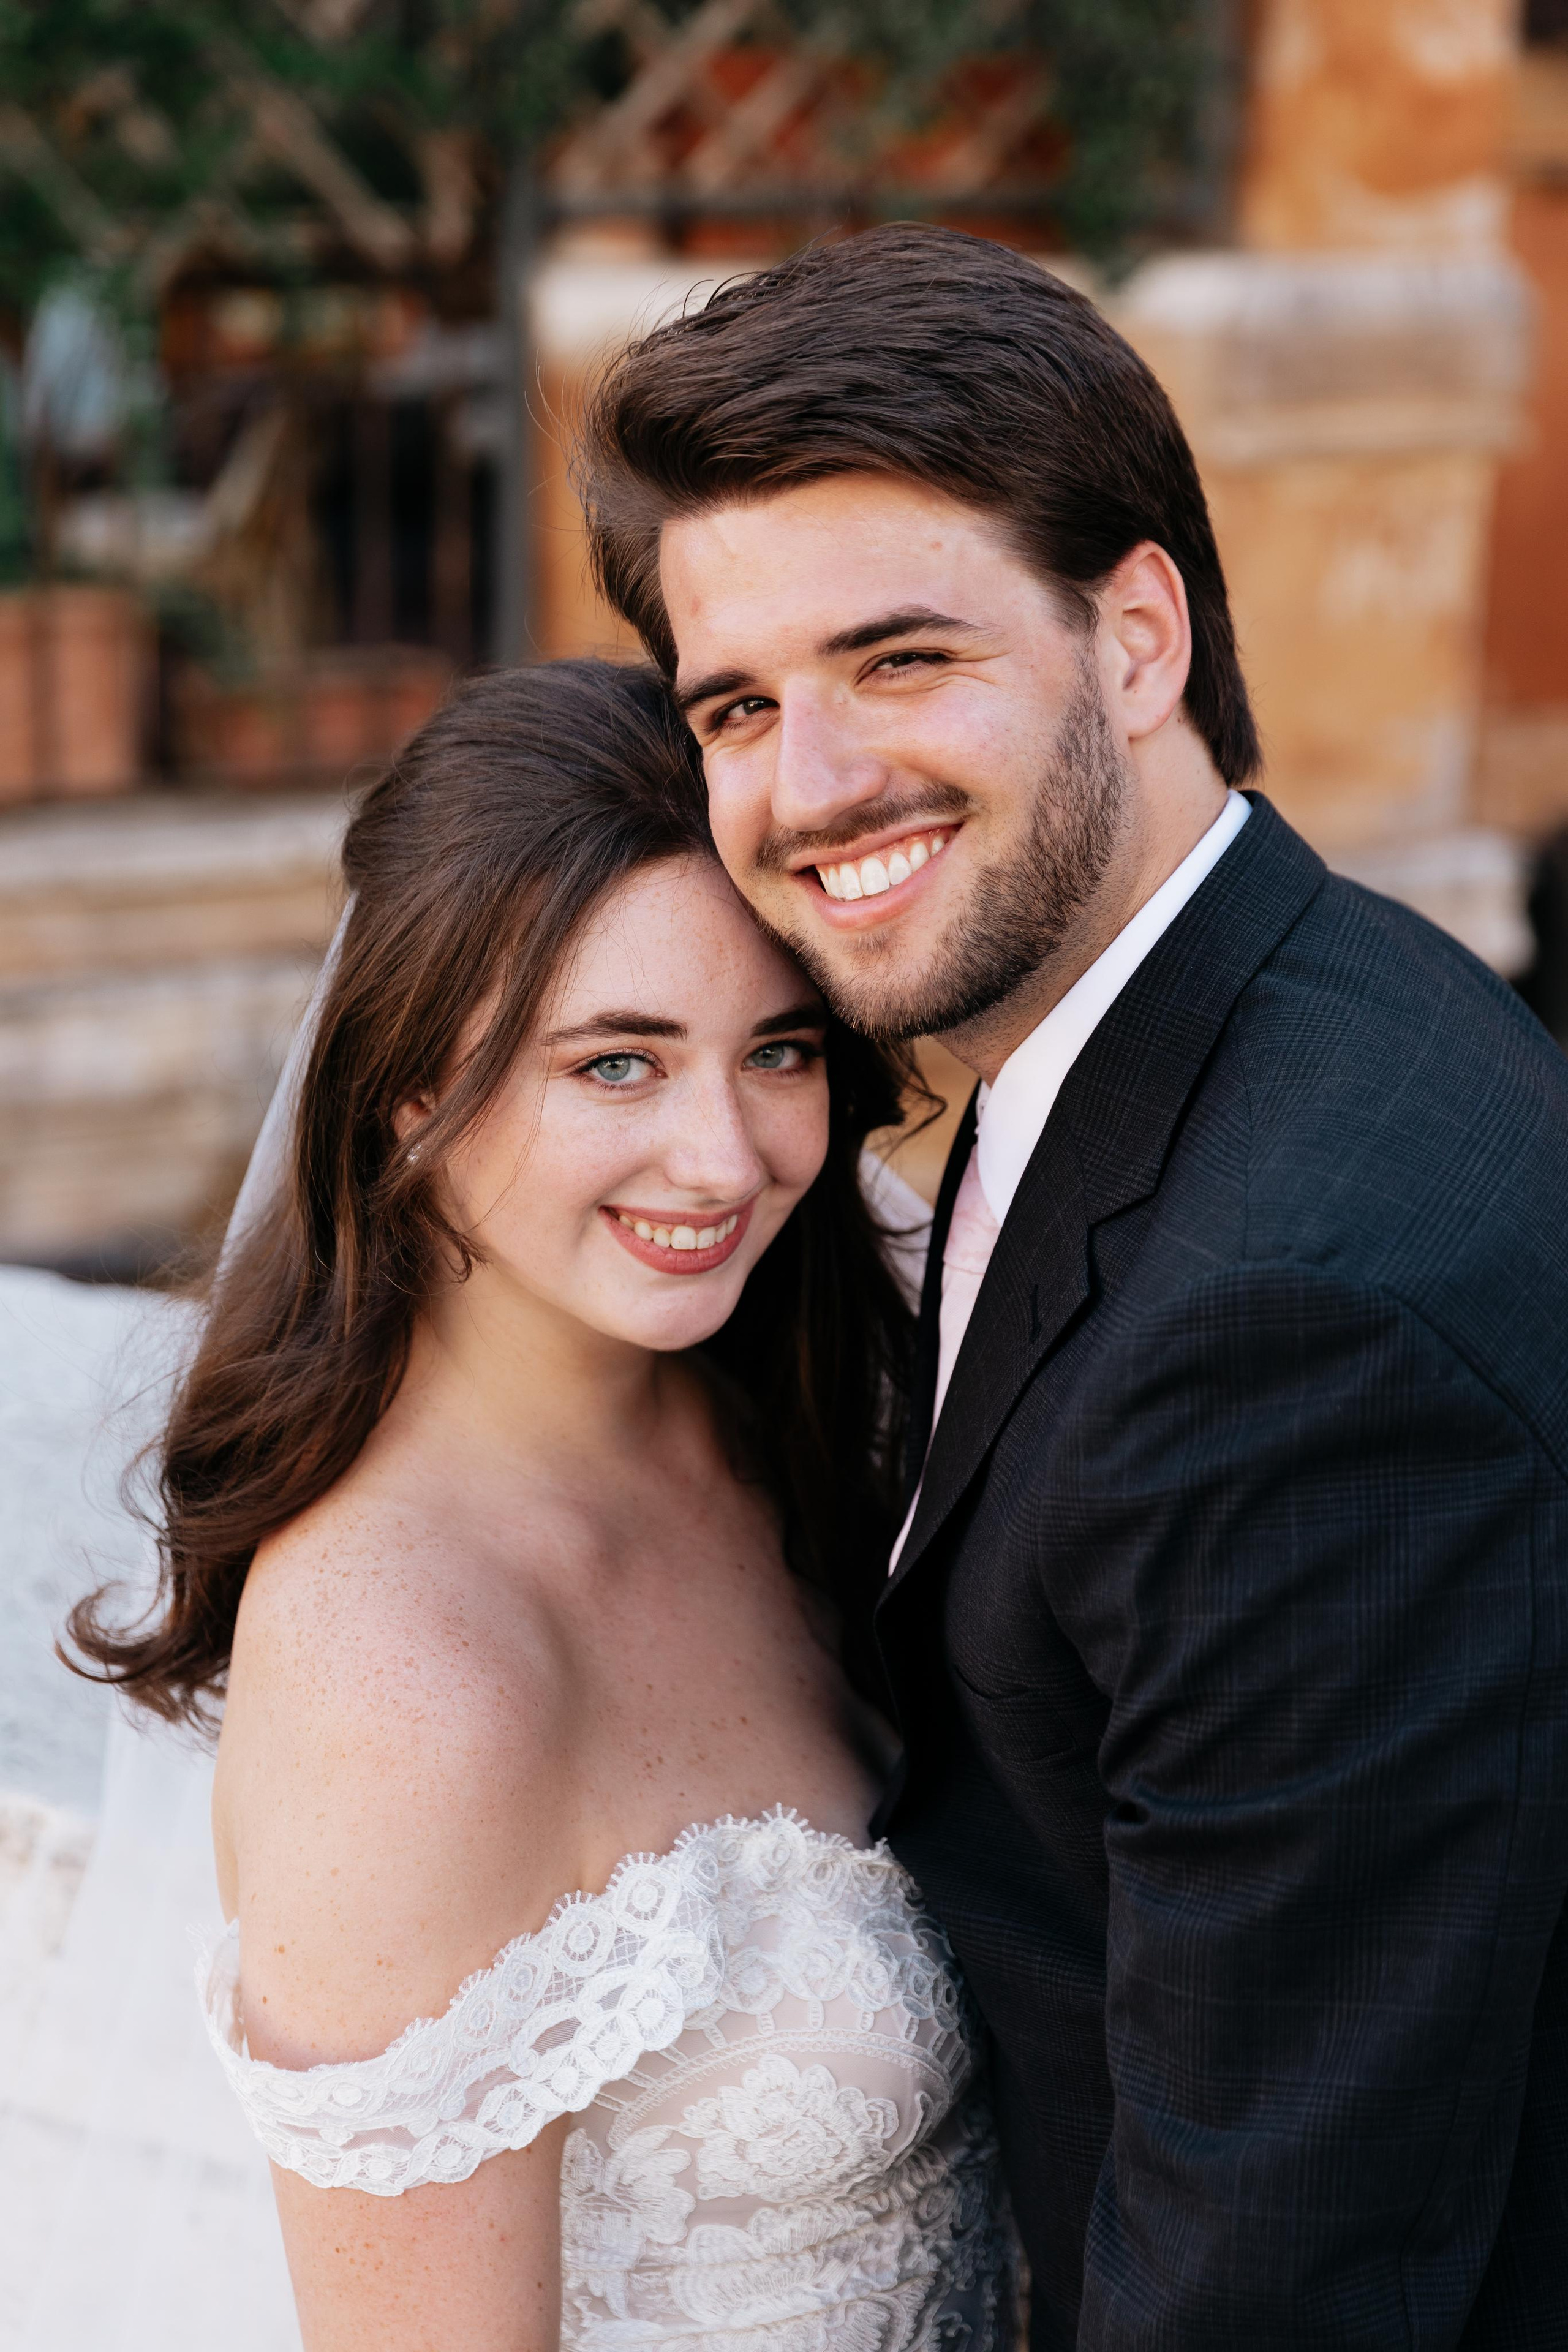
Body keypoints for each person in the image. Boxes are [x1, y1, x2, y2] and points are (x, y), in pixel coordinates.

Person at [577, 223, 1568, 2347]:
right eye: (739, 704)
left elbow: (1281, 2282)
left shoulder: (1292, 1326)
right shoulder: (1284, 1005)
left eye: (902, 658)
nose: (810, 787)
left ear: (1138, 637)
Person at [67, 659, 1013, 2352]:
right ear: (415, 1087)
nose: (723, 1159)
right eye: (618, 1066)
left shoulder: (806, 1421)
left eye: (777, 1051)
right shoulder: (403, 1677)